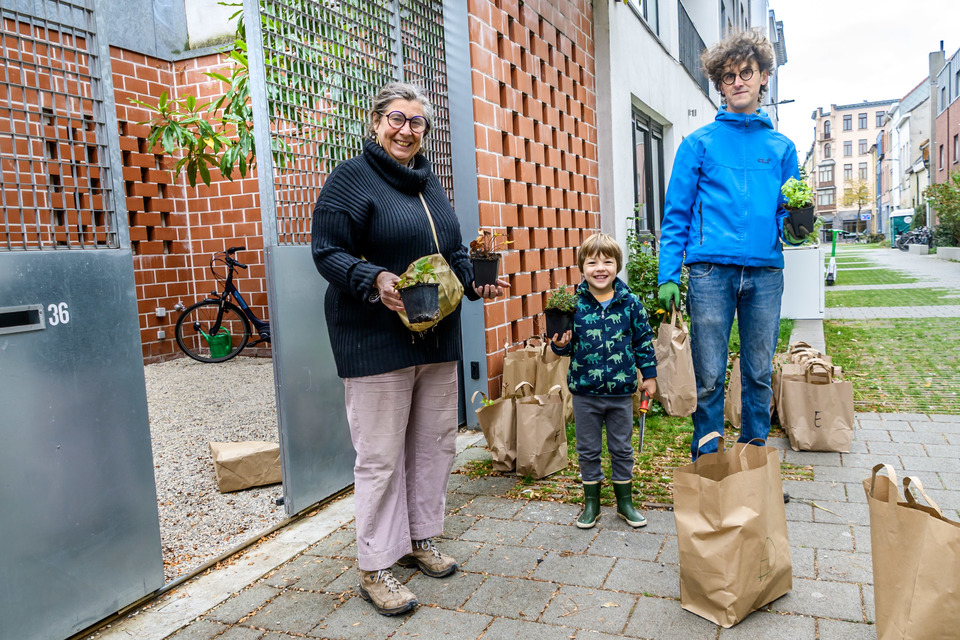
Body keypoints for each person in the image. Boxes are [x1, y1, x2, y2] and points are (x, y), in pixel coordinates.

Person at [311, 82, 507, 616]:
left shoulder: (429, 184)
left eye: (416, 122)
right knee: (379, 457)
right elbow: (326, 252)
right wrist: (374, 278)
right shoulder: (350, 180)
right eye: (396, 119)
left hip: (436, 337)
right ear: (375, 122)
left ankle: (419, 539)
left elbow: (454, 251)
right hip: (375, 339)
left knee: (434, 444)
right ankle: (375, 564)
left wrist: (475, 283)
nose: (405, 130)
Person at [657, 29, 802, 470]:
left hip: (764, 274)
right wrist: (667, 274)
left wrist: (795, 229)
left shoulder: (781, 149)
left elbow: (788, 215)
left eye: (747, 73)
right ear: (719, 85)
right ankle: (709, 467)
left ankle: (754, 467)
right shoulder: (697, 144)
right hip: (709, 275)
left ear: (763, 79)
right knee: (708, 378)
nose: (738, 81)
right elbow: (676, 215)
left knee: (758, 375)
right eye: (729, 75)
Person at [552, 233, 657, 530]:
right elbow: (564, 345)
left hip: (621, 393)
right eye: (592, 262)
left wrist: (648, 376)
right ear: (582, 267)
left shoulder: (630, 303)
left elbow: (643, 342)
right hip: (585, 392)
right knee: (587, 450)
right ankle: (591, 504)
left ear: (617, 266)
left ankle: (625, 502)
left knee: (622, 448)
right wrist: (559, 344)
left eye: (607, 261)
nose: (600, 268)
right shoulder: (572, 305)